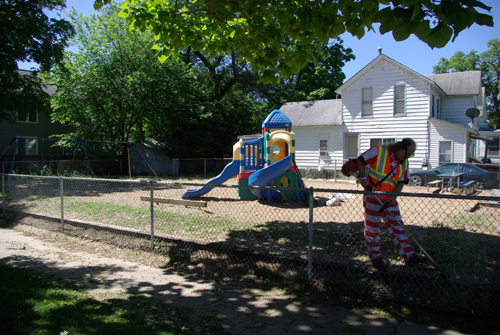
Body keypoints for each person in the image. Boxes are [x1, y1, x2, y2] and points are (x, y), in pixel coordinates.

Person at [356, 138, 425, 272]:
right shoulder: (378, 151)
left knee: (397, 226)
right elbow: (360, 160)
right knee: (372, 229)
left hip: (389, 200)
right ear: (400, 148)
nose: (409, 157)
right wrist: (364, 179)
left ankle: (409, 256)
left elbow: (401, 182)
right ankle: (375, 258)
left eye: (411, 155)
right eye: (408, 153)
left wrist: (393, 197)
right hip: (373, 197)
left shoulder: (404, 163)